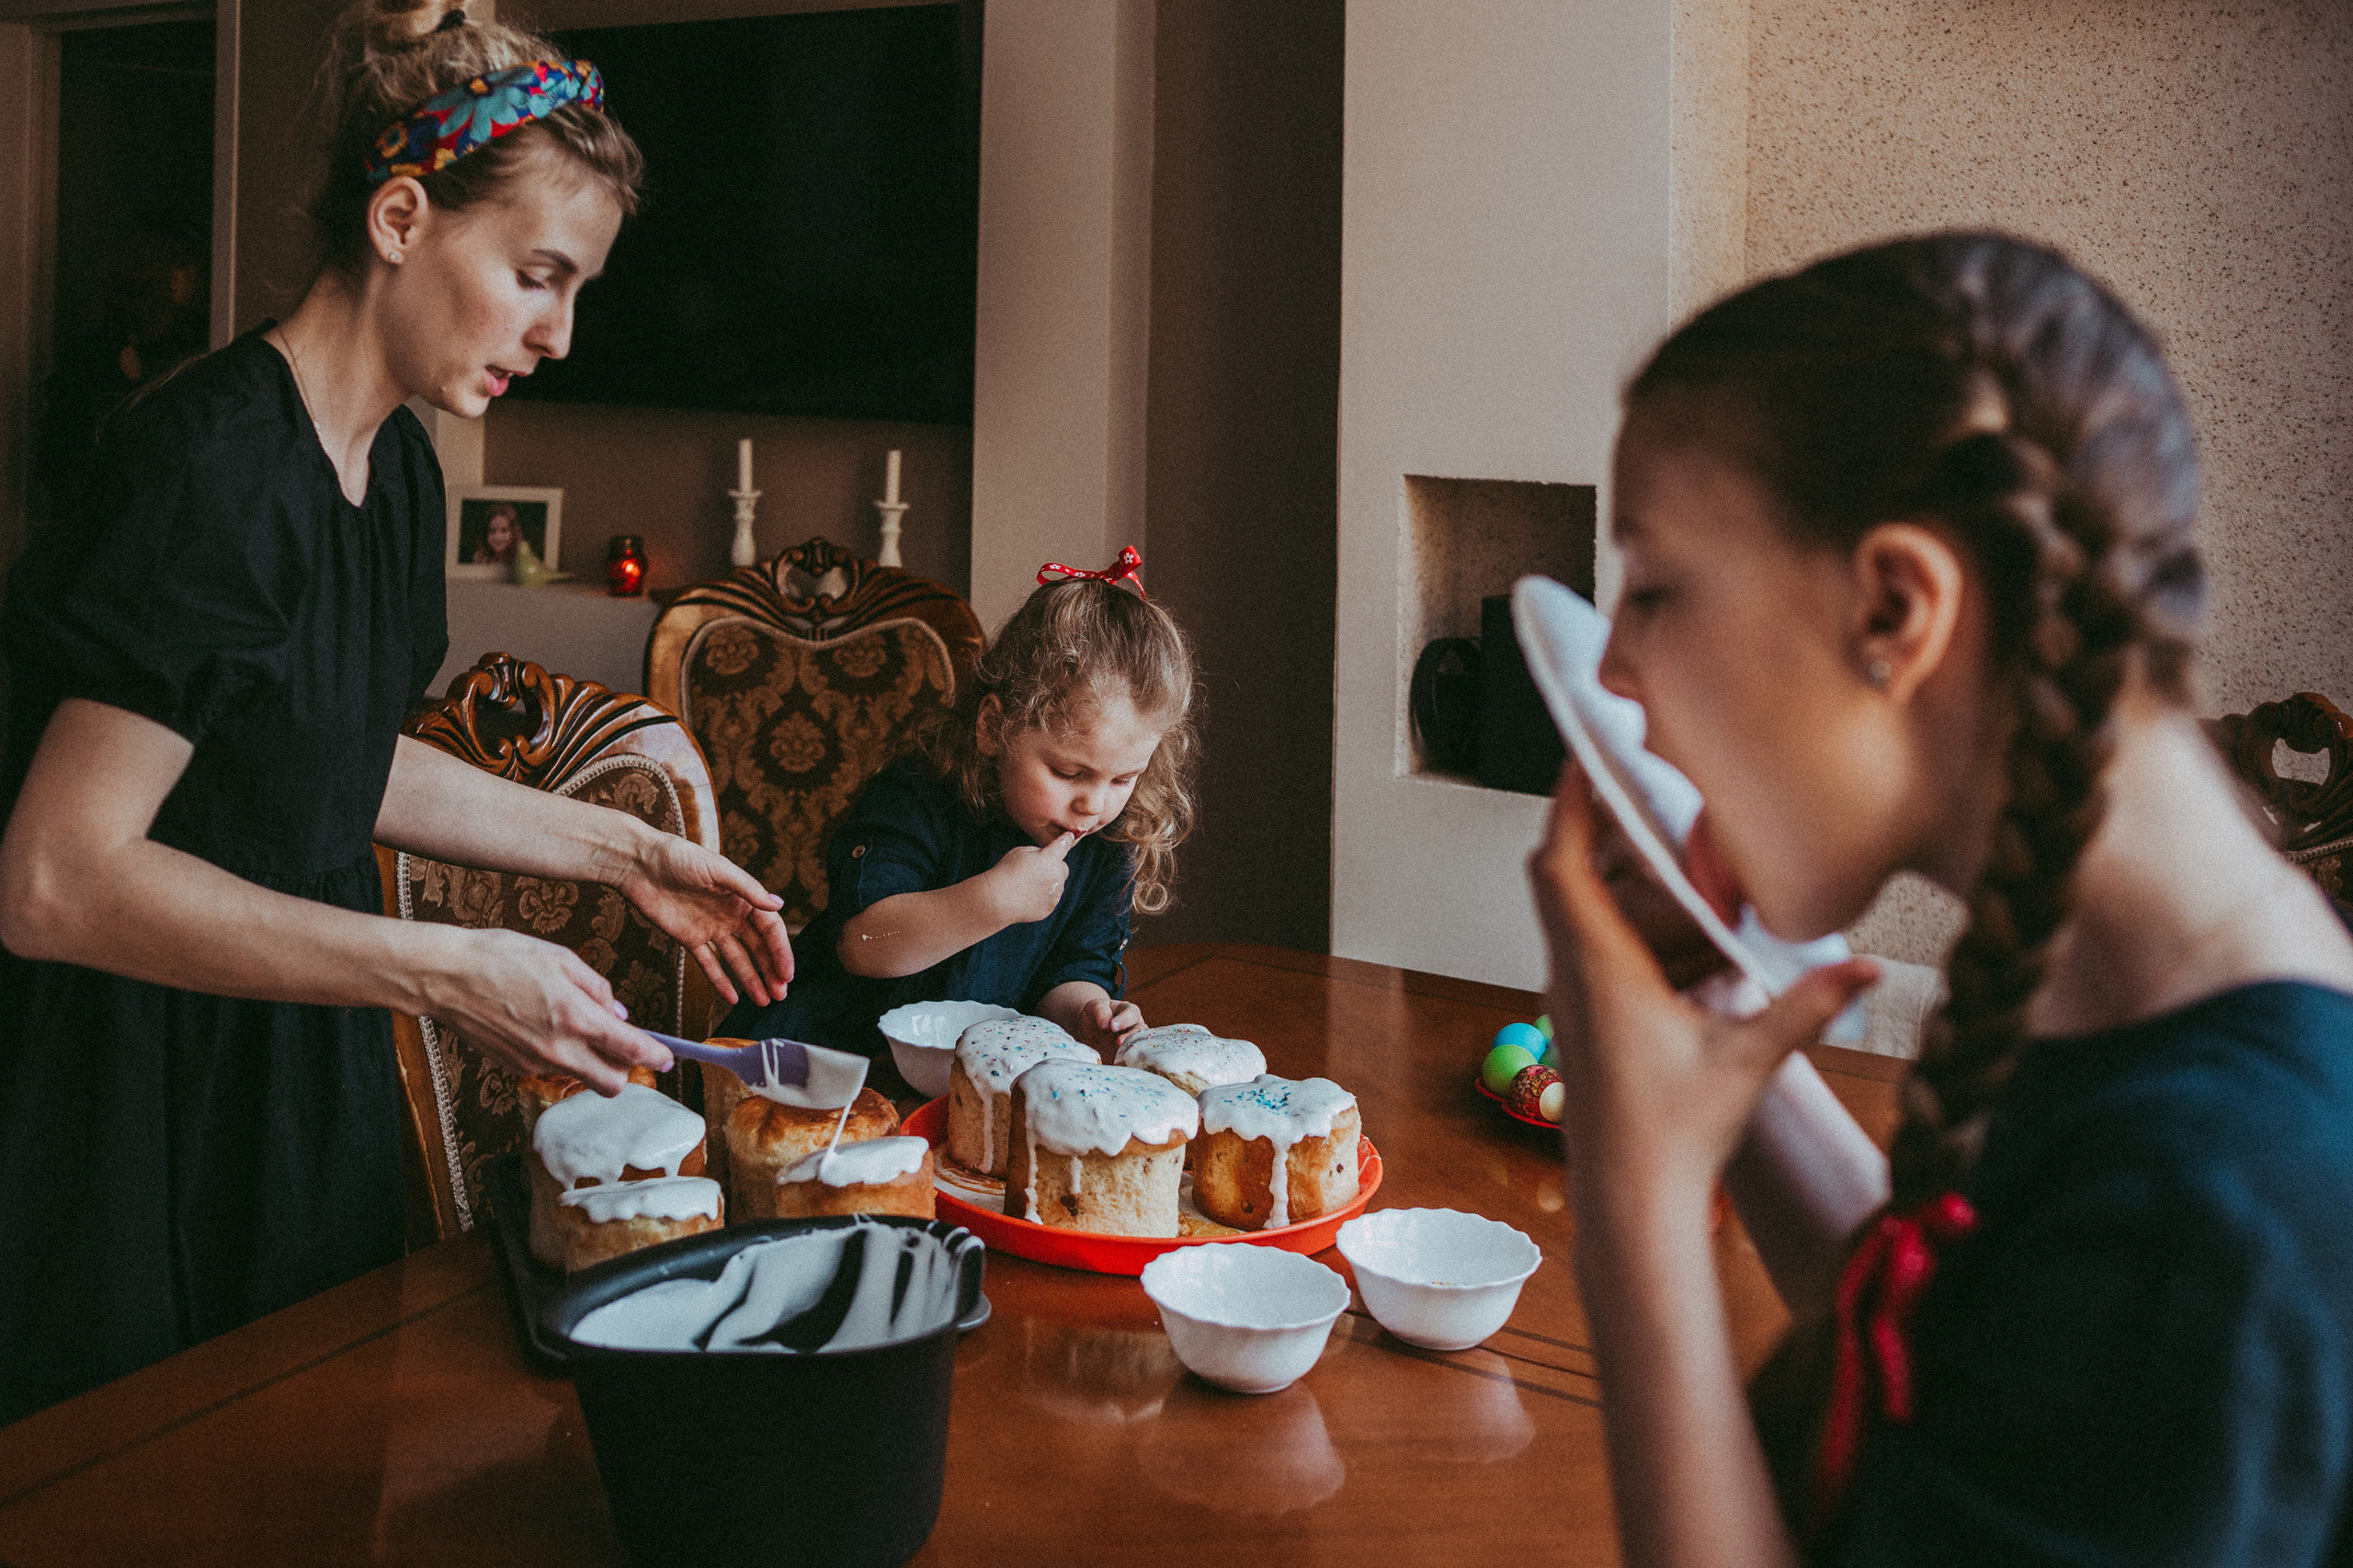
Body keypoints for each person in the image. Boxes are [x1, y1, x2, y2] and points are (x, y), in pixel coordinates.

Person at [0, 0, 792, 1424]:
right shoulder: (210, 470)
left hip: (293, 1074)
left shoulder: (402, 473)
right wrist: (444, 968)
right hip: (124, 1101)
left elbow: (324, 764)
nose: (557, 335)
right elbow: (57, 880)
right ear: (402, 216)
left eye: (579, 290)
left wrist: (627, 854)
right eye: (537, 273)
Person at [1527, 233, 2353, 1565]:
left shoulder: (2213, 1215)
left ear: (1897, 606)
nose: (1614, 670)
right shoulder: (2167, 1012)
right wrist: (1718, 1002)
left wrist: (1637, 1205)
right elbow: (1964, 1333)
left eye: (1659, 586)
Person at [722, 550, 1195, 1059]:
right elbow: (863, 945)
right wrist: (990, 901)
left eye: (1123, 778)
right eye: (1067, 772)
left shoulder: (1108, 840)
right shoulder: (917, 795)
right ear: (993, 727)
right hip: (829, 1057)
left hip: (968, 1079)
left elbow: (1073, 971)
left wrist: (1088, 1013)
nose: (1094, 805)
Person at [471, 500, 520, 565]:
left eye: (504, 530)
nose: (498, 536)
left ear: (513, 532)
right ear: (485, 534)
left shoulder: (519, 559)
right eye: (492, 531)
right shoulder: (479, 559)